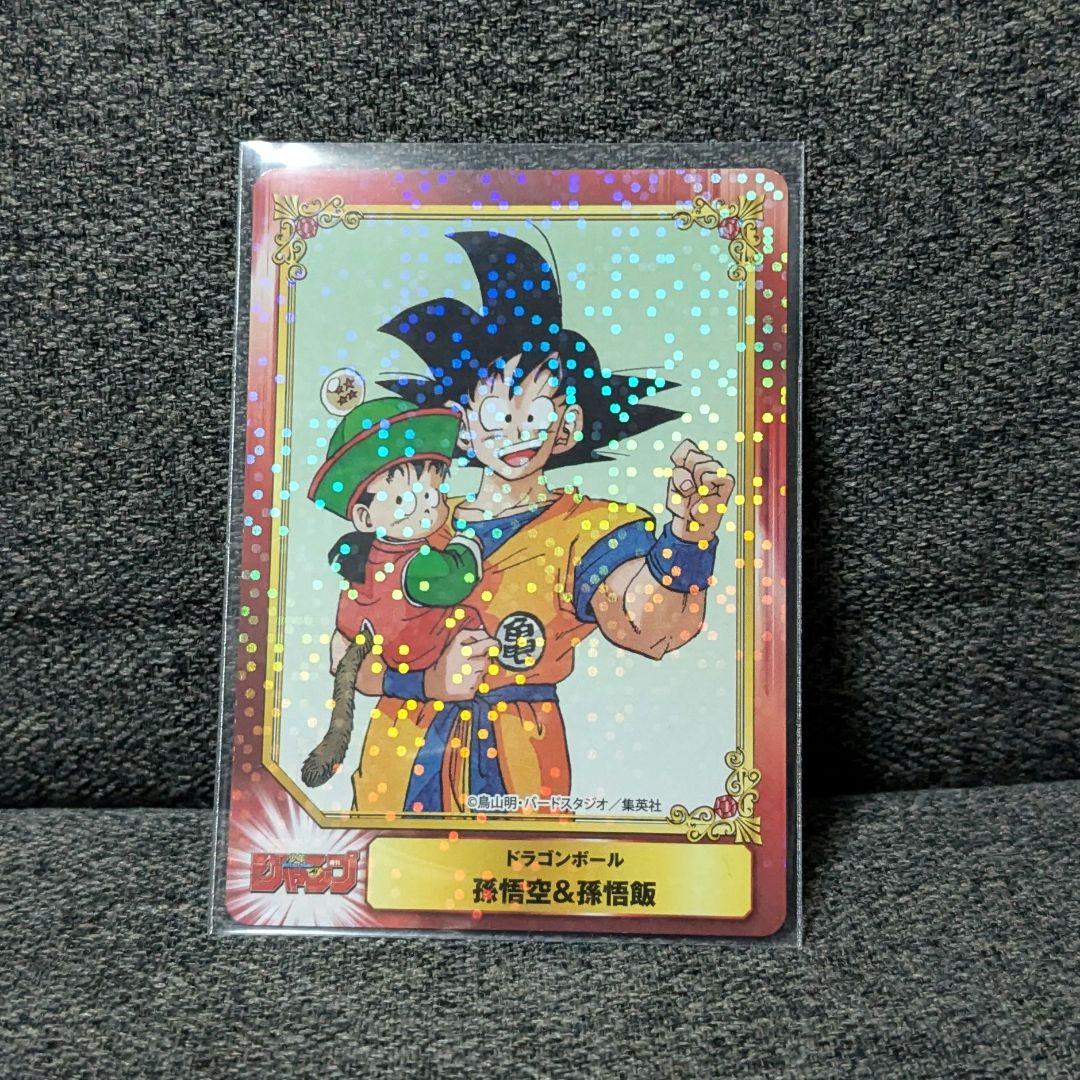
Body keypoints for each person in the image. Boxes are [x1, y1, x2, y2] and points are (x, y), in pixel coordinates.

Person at [349, 230, 735, 812]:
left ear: (568, 424)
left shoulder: (584, 529)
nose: (515, 431)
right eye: (496, 412)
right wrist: (425, 682)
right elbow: (349, 656)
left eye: (535, 411)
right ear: (463, 425)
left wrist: (688, 537)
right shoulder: (408, 523)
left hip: (516, 765)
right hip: (395, 765)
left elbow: (645, 624)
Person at [302, 395, 497, 813]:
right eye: (407, 502)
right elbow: (459, 577)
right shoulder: (415, 563)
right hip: (420, 654)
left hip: (380, 653)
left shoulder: (365, 558)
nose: (427, 508)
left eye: (432, 495)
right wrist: (467, 542)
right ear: (365, 518)